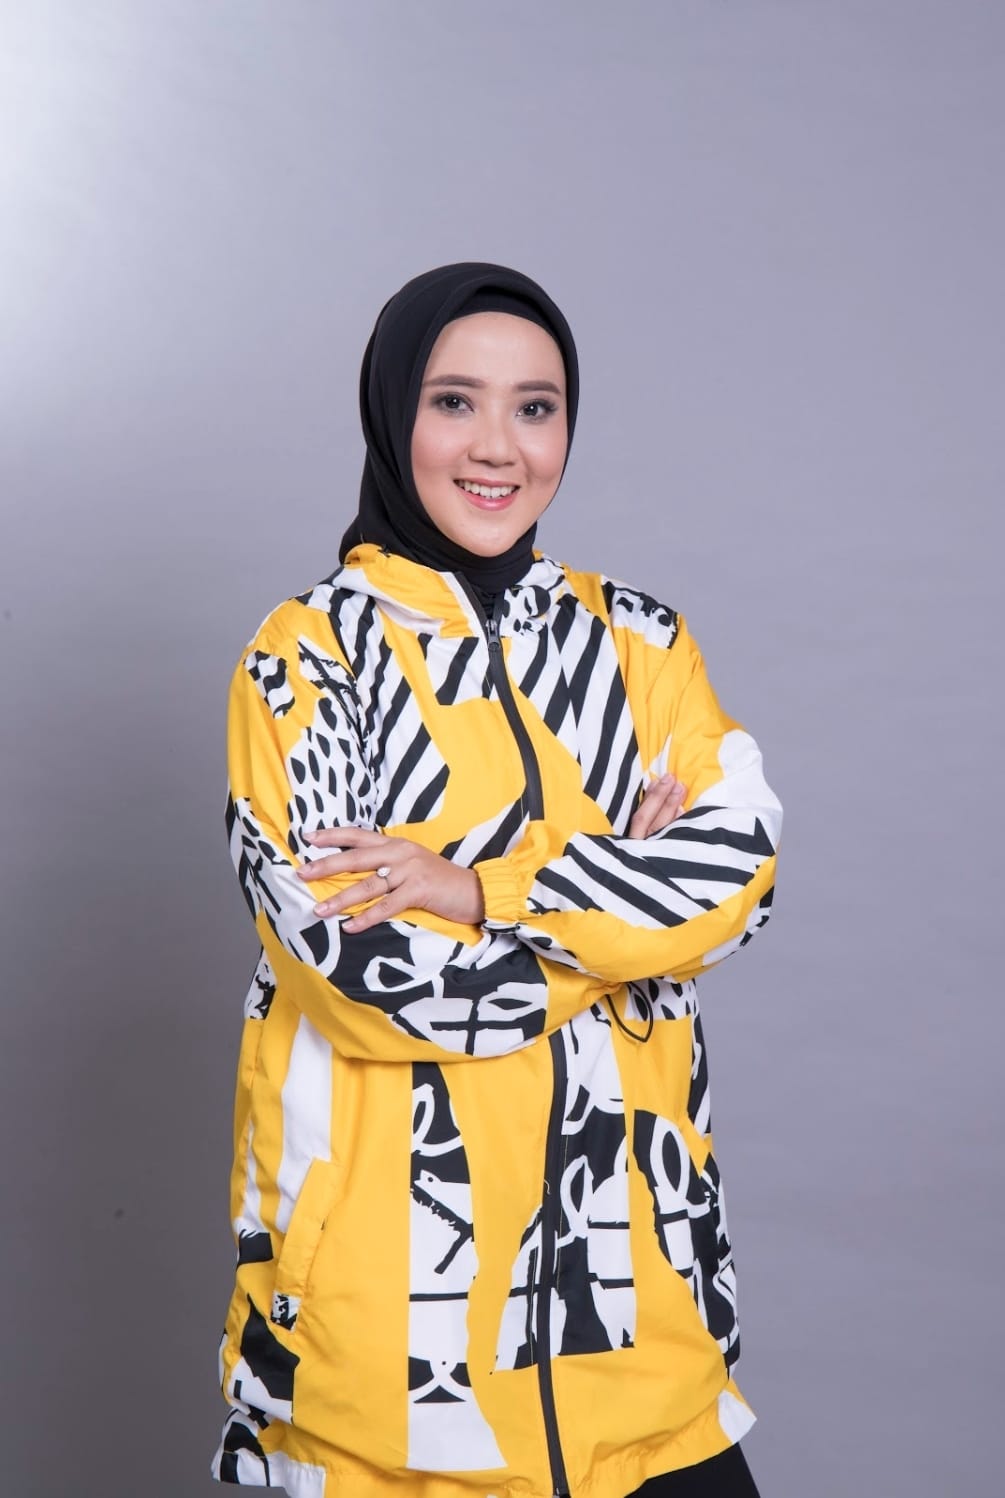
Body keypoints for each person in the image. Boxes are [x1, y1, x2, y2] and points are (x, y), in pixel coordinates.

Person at [211, 262, 782, 1498]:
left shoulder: (642, 641)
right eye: (453, 401)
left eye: (536, 407)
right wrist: (629, 921)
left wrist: (478, 892)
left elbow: (741, 876)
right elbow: (366, 976)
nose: (497, 447)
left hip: (646, 1342)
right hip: (392, 1375)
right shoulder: (305, 659)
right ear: (391, 414)